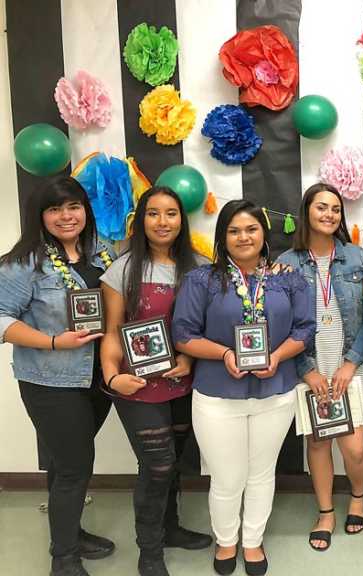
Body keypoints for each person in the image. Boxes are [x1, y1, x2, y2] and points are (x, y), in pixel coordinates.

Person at [172, 200, 315, 576]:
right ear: (223, 238)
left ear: (263, 234)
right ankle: (226, 540)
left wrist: (278, 356)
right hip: (218, 395)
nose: (243, 237)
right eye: (234, 230)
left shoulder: (289, 278)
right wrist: (224, 354)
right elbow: (183, 334)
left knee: (261, 473)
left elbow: (305, 328)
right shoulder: (201, 280)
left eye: (251, 229)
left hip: (276, 391)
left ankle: (252, 541)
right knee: (226, 477)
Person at [0, 176, 116, 576]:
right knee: (74, 466)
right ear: (40, 215)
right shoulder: (24, 262)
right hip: (51, 380)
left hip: (97, 377)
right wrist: (54, 342)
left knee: (65, 463)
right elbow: (0, 319)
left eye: (73, 207)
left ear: (85, 210)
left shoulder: (101, 252)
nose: (66, 216)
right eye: (55, 209)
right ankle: (63, 560)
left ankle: (67, 533)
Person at [100, 187, 212, 576]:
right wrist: (114, 376)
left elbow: (206, 326)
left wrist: (189, 356)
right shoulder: (122, 269)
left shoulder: (200, 266)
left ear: (182, 220)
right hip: (137, 386)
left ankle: (170, 529)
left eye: (170, 214)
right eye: (153, 214)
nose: (162, 222)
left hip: (184, 381)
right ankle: (149, 551)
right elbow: (111, 331)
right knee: (157, 463)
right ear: (140, 220)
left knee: (175, 461)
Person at [277, 183, 363, 551]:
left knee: (354, 449)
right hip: (308, 367)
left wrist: (351, 364)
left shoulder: (358, 258)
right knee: (319, 443)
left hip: (349, 365)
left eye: (335, 209)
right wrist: (306, 369)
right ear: (306, 211)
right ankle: (325, 512)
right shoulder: (285, 265)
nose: (329, 214)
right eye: (321, 207)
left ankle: (357, 497)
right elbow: (280, 325)